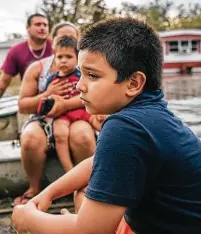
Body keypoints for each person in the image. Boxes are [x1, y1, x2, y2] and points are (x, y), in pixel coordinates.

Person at [11, 17, 201, 234]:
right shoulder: (152, 113)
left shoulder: (125, 128)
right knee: (82, 193)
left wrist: (29, 219)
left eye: (92, 75)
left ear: (133, 83)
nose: (80, 85)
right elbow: (97, 160)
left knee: (78, 209)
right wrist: (49, 193)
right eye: (81, 73)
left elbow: (90, 231)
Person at [13, 22, 97, 208]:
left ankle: (90, 186)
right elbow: (23, 105)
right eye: (61, 38)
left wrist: (65, 104)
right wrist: (46, 94)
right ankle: (34, 188)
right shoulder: (38, 68)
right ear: (54, 43)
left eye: (72, 39)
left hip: (77, 113)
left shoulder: (87, 65)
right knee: (30, 139)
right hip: (44, 117)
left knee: (82, 136)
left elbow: (96, 96)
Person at [42, 35, 107, 172]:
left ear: (77, 58)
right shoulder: (51, 80)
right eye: (60, 57)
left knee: (104, 124)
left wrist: (100, 111)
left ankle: (107, 162)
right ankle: (69, 171)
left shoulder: (81, 75)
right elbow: (49, 102)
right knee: (60, 134)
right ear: (54, 58)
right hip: (62, 115)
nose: (63, 61)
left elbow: (91, 94)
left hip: (81, 111)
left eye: (68, 57)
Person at [0, 13, 52, 123]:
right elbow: (3, 82)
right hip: (30, 103)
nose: (42, 28)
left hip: (55, 99)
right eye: (38, 24)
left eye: (45, 25)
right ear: (28, 28)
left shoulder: (56, 47)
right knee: (27, 129)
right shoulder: (16, 51)